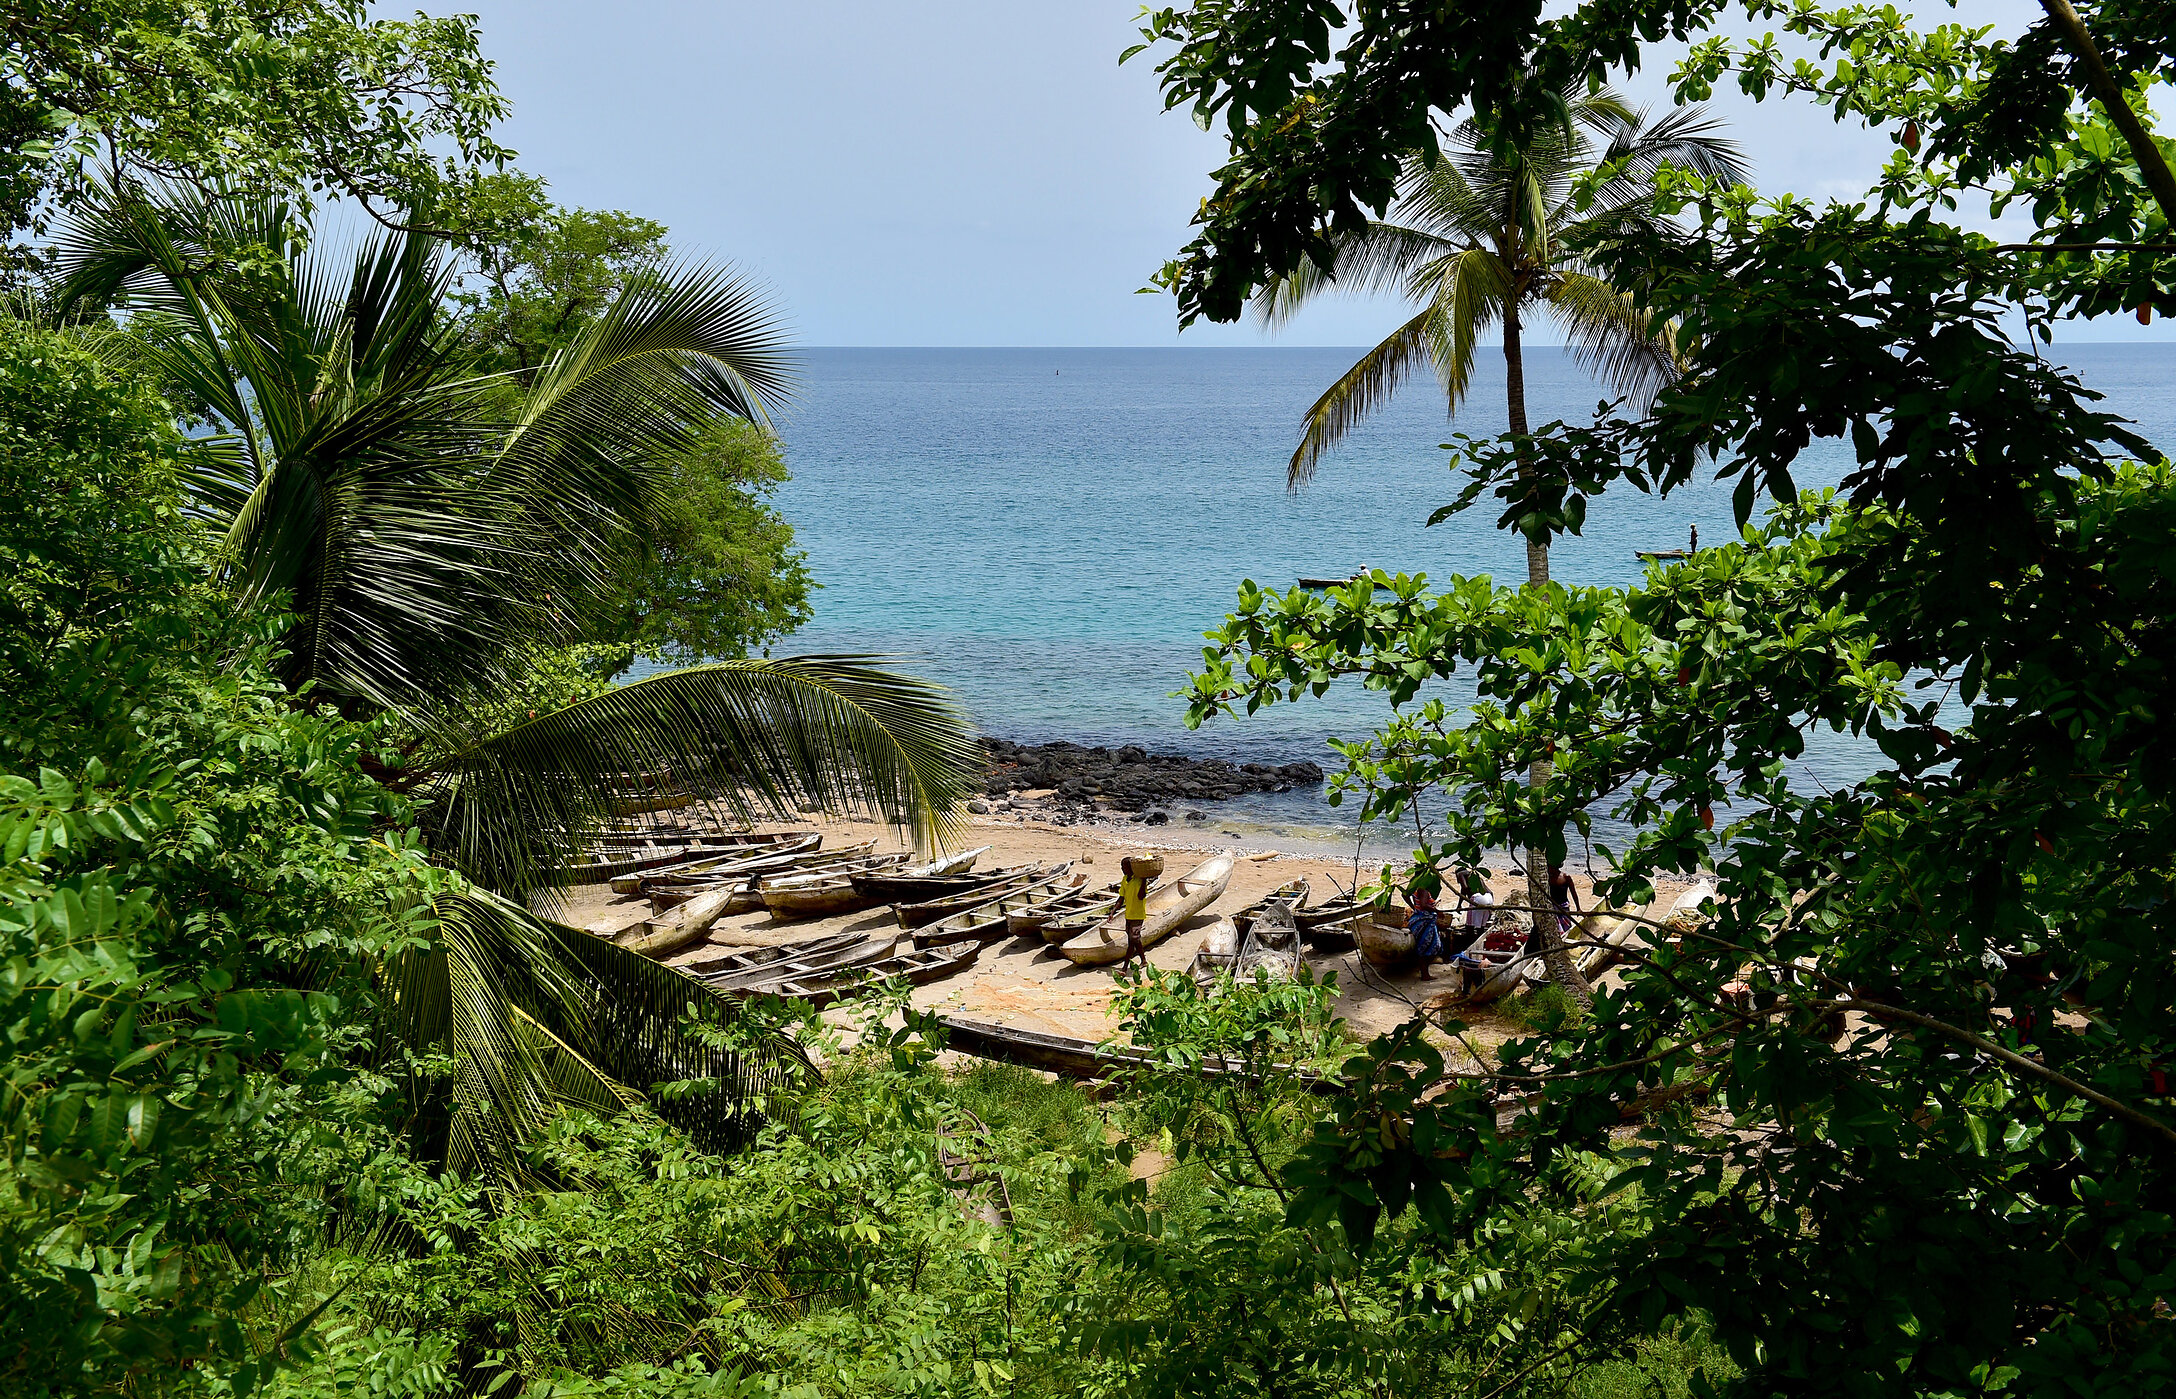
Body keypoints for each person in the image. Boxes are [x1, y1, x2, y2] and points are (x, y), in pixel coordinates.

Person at [1407, 878, 1442, 979]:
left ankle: (1424, 972)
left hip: (1418, 919)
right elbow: (1423, 905)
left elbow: (1405, 895)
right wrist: (1437, 910)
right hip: (1425, 921)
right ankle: (1425, 974)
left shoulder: (1416, 888)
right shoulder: (1423, 890)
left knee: (1424, 947)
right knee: (1431, 947)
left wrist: (1414, 907)